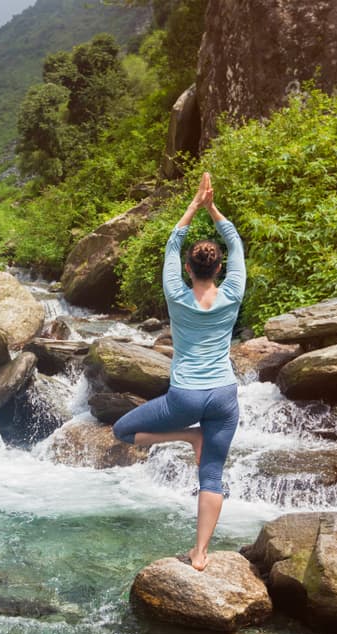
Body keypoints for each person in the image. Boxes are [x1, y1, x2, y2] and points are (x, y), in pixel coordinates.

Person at [112, 172, 245, 571]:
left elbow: (172, 243)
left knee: (122, 430)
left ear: (188, 268)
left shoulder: (176, 293)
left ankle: (188, 436)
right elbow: (235, 241)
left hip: (185, 397)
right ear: (220, 269)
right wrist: (212, 207)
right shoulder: (234, 291)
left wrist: (193, 205)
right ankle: (201, 552)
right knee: (212, 476)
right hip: (223, 394)